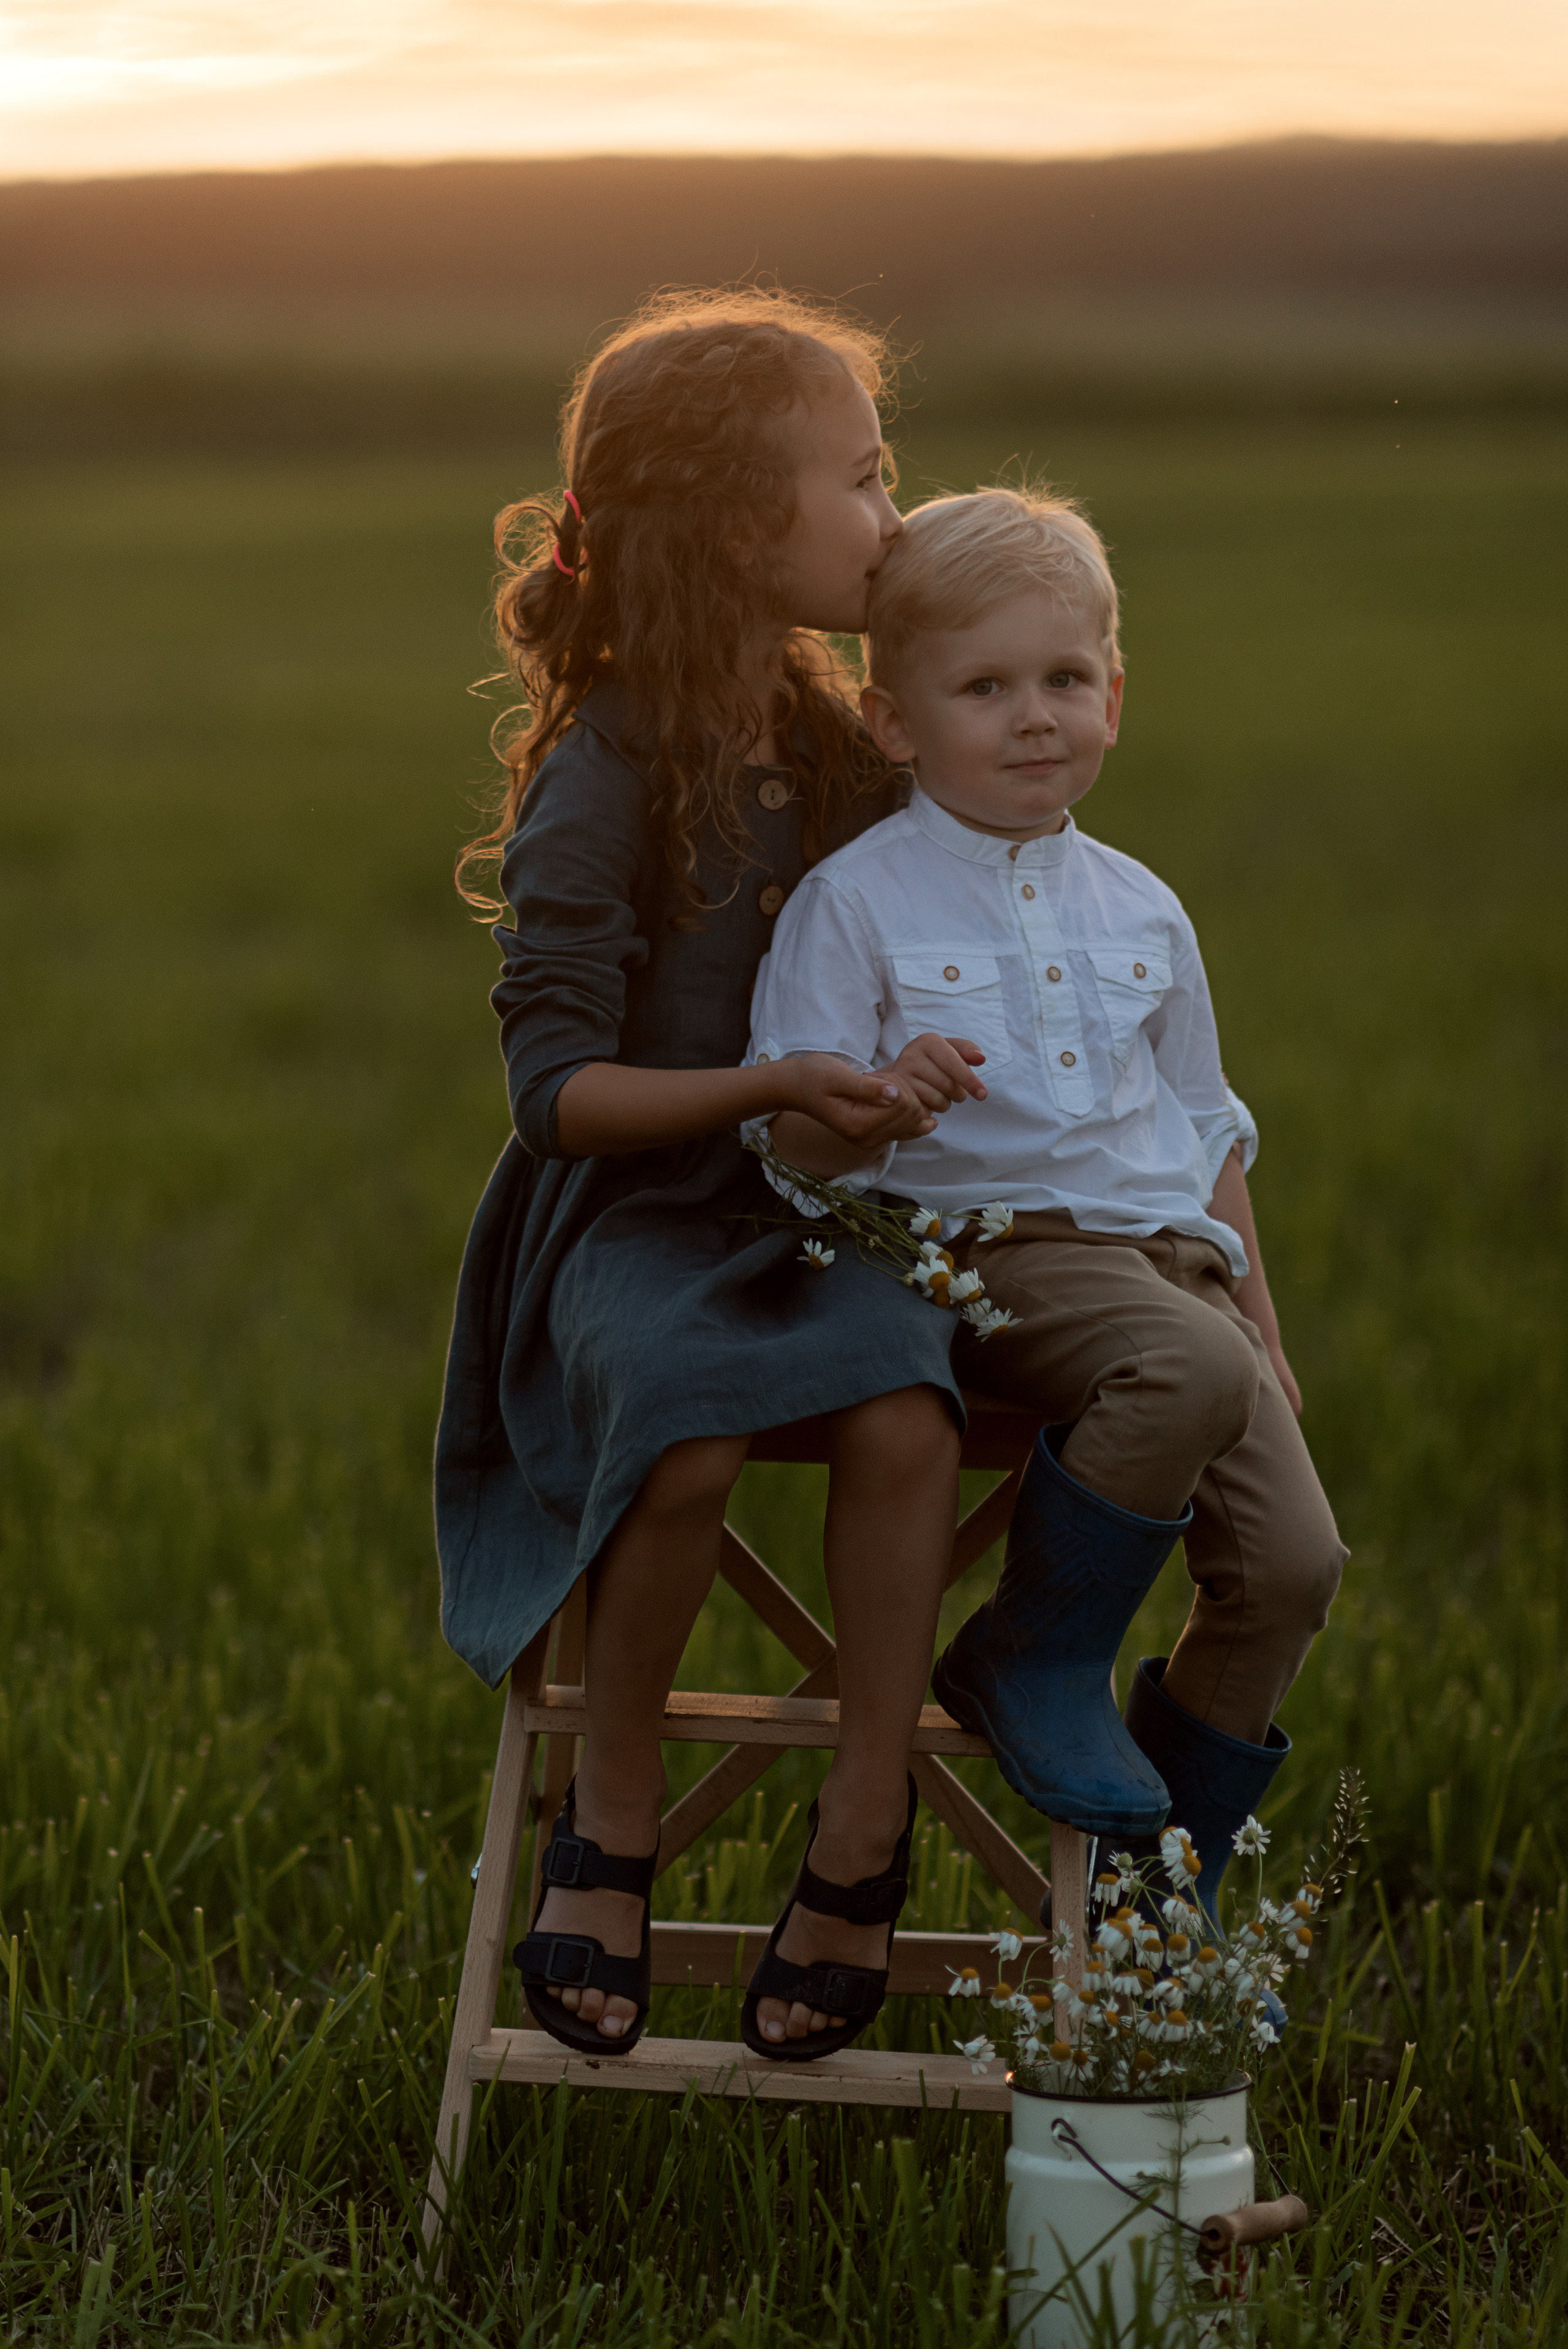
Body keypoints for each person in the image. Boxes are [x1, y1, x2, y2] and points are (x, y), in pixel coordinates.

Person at [434, 290, 971, 2065]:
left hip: (823, 1204)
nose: (893, 525)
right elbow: (554, 1096)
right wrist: (767, 1081)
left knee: (908, 1417)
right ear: (748, 533)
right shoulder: (605, 776)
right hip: (636, 1218)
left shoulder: (839, 751)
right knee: (689, 1426)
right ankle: (613, 1807)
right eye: (869, 485)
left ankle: (862, 1830)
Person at [745, 485, 1347, 1917]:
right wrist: (877, 1097)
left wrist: (1261, 1324)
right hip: (993, 1255)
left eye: (1064, 679)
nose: (1034, 717)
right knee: (1176, 1363)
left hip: (1175, 1281)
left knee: (1292, 1565)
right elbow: (782, 1136)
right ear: (894, 722)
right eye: (984, 687)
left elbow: (1204, 1132)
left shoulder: (1140, 906)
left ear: (1114, 696)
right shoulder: (859, 899)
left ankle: (1154, 1895)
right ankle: (1034, 1648)